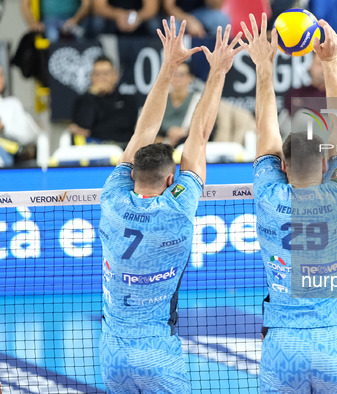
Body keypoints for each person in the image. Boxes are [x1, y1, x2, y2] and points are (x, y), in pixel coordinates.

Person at [99, 17, 242, 392]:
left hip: (111, 352)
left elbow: (142, 133)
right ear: (169, 181)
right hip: (158, 352)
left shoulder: (112, 197)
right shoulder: (177, 208)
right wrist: (217, 72)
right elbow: (200, 133)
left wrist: (168, 65)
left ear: (132, 174)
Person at [240, 13, 337, 392]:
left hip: (283, 347)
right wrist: (330, 62)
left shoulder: (271, 195)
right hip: (335, 345)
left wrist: (264, 66)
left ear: (282, 167)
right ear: (326, 164)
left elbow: (266, 130)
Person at [158, 62, 256, 148]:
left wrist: (185, 133)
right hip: (161, 148)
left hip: (191, 145)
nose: (177, 78)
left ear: (191, 78)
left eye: (181, 75)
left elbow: (207, 128)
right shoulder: (160, 100)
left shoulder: (199, 100)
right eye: (174, 74)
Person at [69, 56, 139, 147]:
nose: (102, 78)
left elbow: (126, 125)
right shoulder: (83, 100)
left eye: (106, 74)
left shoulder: (128, 100)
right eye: (97, 74)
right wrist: (91, 95)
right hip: (94, 149)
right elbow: (84, 126)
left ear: (115, 76)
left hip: (123, 147)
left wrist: (95, 130)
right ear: (91, 77)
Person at [0, 65, 40, 166]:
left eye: (1, 75)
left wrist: (4, 128)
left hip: (11, 158)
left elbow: (26, 136)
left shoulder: (12, 104)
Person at [20, 0, 91, 42]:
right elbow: (24, 5)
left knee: (82, 36)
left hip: (73, 19)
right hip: (49, 21)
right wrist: (33, 24)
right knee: (52, 36)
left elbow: (87, 4)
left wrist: (75, 20)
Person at [90, 0, 160, 36]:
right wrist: (118, 15)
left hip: (138, 17)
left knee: (154, 24)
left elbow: (151, 8)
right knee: (97, 23)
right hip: (112, 18)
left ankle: (154, 50)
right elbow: (99, 8)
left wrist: (135, 17)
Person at [163, 0, 230, 38]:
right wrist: (190, 21)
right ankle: (176, 59)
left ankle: (219, 54)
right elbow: (169, 7)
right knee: (172, 24)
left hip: (201, 12)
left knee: (221, 19)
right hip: (179, 14)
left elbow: (216, 7)